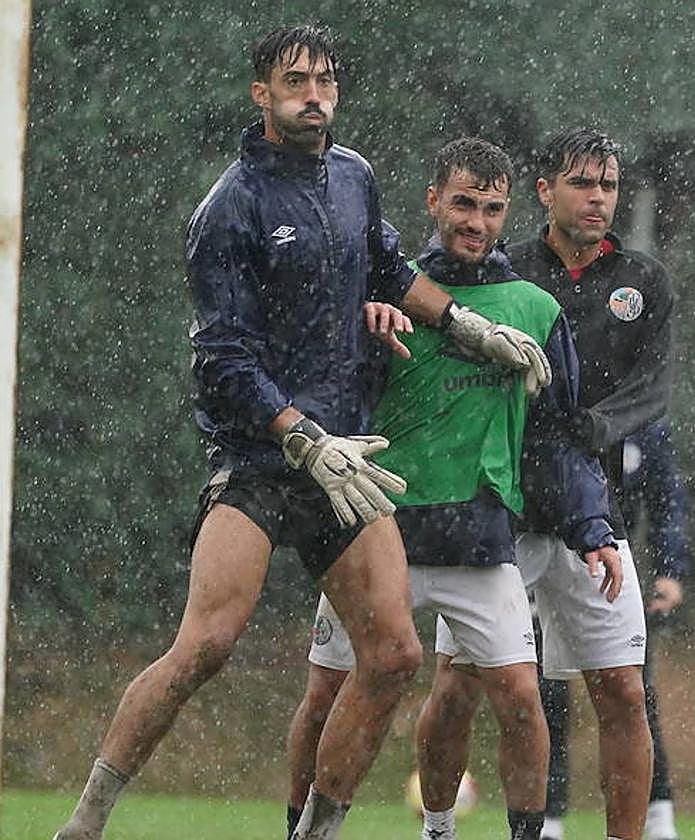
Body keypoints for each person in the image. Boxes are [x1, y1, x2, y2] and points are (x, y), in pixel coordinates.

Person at [52, 27, 551, 840]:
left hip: (345, 460)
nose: (313, 94)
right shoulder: (230, 206)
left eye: (324, 80)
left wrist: (467, 326)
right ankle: (85, 821)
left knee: (393, 656)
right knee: (208, 643)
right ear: (262, 95)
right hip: (260, 458)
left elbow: (391, 270)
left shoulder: (353, 176)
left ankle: (314, 833)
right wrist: (298, 436)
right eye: (295, 81)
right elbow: (222, 359)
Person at [285, 136, 622, 840]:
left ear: (508, 213)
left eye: (491, 208)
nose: (477, 221)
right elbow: (326, 401)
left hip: (478, 540)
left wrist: (592, 529)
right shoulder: (383, 289)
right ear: (434, 200)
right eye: (464, 203)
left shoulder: (533, 307)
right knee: (324, 696)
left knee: (523, 703)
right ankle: (302, 830)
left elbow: (557, 436)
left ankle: (472, 834)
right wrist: (365, 339)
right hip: (378, 532)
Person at [417, 128, 674, 840]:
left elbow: (655, 389)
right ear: (544, 191)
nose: (598, 199)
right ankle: (438, 828)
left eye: (609, 186)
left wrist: (587, 428)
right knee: (461, 687)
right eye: (583, 184)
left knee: (623, 690)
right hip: (498, 511)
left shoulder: (643, 282)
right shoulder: (504, 270)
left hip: (593, 507)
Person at [539, 419, 691, 840]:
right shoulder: (561, 415)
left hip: (616, 574)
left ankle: (659, 815)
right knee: (547, 693)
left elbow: (666, 502)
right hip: (547, 562)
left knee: (634, 694)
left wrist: (670, 571)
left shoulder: (646, 428)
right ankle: (548, 819)